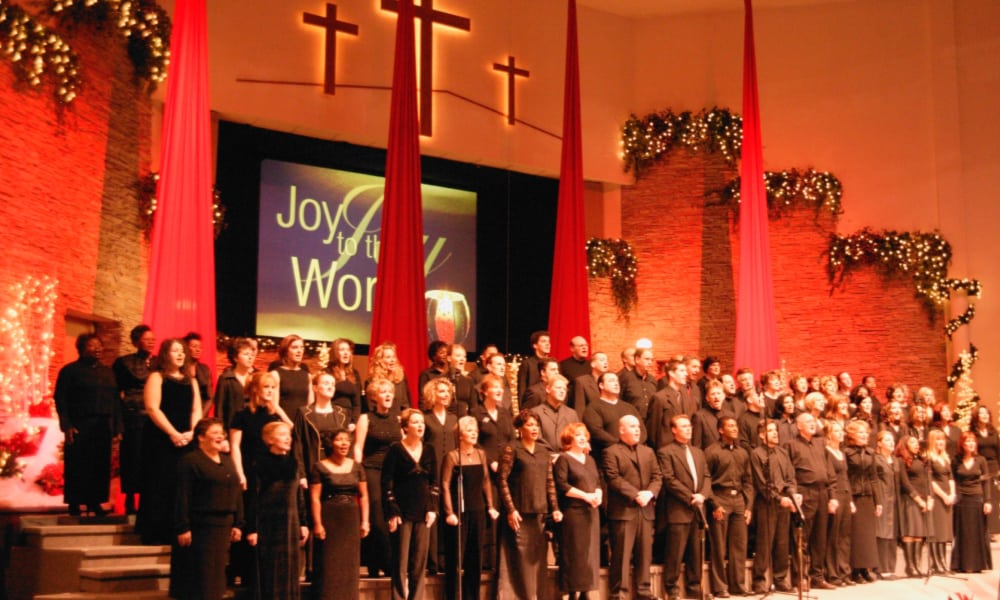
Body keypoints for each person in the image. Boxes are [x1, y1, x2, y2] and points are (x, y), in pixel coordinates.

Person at [138, 338, 201, 545]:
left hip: (186, 438)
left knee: (182, 485)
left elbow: (196, 410)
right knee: (160, 483)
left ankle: (180, 529)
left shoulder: (190, 380)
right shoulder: (157, 377)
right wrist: (173, 433)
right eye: (175, 351)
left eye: (183, 351)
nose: (181, 354)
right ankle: (156, 533)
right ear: (166, 354)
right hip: (161, 438)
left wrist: (192, 431)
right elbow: (152, 408)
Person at [173, 418, 244, 600]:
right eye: (215, 433)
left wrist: (238, 523)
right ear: (201, 437)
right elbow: (183, 495)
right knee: (203, 575)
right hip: (201, 526)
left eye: (222, 432)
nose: (220, 436)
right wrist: (183, 526)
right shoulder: (190, 461)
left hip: (224, 525)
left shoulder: (227, 461)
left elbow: (236, 492)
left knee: (217, 575)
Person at [498, 411, 562, 600]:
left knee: (538, 561)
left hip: (540, 512)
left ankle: (537, 596)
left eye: (536, 425)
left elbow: (549, 481)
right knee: (522, 560)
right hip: (520, 512)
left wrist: (555, 508)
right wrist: (511, 509)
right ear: (520, 428)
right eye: (529, 425)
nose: (534, 429)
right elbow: (502, 480)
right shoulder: (512, 449)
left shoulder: (543, 451)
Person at [54, 333, 118, 516]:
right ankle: (75, 502)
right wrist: (66, 424)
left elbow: (115, 400)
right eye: (92, 345)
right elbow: (61, 398)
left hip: (102, 424)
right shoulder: (70, 370)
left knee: (99, 464)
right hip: (79, 423)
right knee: (78, 464)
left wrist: (116, 427)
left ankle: (95, 502)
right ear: (81, 349)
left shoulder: (107, 371)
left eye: (99, 345)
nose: (97, 348)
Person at [245, 422, 309, 599]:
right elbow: (253, 498)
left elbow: (299, 495)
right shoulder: (259, 464)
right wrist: (252, 528)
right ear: (269, 440)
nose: (288, 438)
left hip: (290, 521)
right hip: (268, 523)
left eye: (288, 434)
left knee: (289, 569)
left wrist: (303, 523)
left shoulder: (294, 463)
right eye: (282, 434)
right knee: (270, 570)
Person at [602, 414, 662, 600]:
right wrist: (637, 494)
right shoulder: (611, 452)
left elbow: (657, 476)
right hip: (623, 511)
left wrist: (650, 493)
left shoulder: (648, 452)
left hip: (645, 510)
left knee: (644, 554)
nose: (637, 429)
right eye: (633, 426)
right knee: (621, 555)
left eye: (638, 426)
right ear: (622, 430)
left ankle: (644, 591)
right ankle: (618, 594)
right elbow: (613, 479)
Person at [382, 408, 439, 600]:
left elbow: (434, 482)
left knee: (418, 563)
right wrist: (392, 511)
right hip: (402, 511)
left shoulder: (429, 450)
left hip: (423, 511)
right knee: (401, 561)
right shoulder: (395, 450)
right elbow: (387, 482)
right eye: (415, 422)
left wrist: (432, 508)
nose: (420, 425)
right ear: (405, 427)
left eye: (421, 422)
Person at [440, 416, 500, 600]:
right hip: (460, 512)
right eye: (469, 430)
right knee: (456, 558)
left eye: (475, 430)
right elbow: (444, 484)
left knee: (475, 558)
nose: (474, 433)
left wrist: (490, 506)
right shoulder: (452, 456)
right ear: (459, 435)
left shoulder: (481, 454)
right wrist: (449, 512)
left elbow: (485, 481)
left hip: (478, 510)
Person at [310, 429, 369, 600]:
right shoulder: (319, 467)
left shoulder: (357, 466)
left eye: (347, 440)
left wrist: (365, 521)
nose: (344, 443)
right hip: (330, 518)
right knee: (329, 565)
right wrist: (318, 524)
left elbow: (364, 496)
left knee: (349, 566)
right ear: (330, 443)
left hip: (351, 518)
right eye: (339, 440)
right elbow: (315, 498)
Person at [657, 414, 710, 600]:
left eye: (689, 426)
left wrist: (703, 494)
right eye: (683, 426)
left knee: (695, 553)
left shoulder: (698, 452)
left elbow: (707, 477)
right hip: (679, 508)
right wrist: (690, 497)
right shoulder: (666, 452)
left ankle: (695, 588)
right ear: (673, 430)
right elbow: (669, 480)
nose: (688, 429)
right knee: (675, 552)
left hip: (698, 508)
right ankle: (671, 589)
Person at [353, 377, 401, 578]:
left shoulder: (397, 419)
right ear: (374, 397)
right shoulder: (366, 418)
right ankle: (384, 563)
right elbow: (358, 446)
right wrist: (358, 472)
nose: (388, 395)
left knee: (393, 517)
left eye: (390, 391)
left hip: (392, 472)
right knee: (377, 519)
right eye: (383, 392)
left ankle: (378, 563)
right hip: (371, 470)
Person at [787, 412, 837, 590]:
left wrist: (832, 496)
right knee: (802, 538)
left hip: (823, 493)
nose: (812, 423)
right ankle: (800, 577)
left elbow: (829, 472)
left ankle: (817, 576)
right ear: (798, 426)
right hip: (805, 493)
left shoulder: (820, 443)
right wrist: (794, 494)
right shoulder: (791, 445)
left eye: (813, 421)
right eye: (807, 421)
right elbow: (790, 472)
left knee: (820, 538)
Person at [470, 374, 515, 570]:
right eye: (495, 387)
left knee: (505, 510)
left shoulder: (505, 413)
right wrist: (490, 461)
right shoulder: (476, 413)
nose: (499, 391)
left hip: (506, 470)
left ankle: (503, 559)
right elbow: (475, 442)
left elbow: (512, 439)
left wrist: (507, 461)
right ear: (484, 392)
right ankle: (486, 559)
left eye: (501, 387)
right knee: (490, 511)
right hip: (486, 471)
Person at [704, 415, 752, 597]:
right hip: (720, 498)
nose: (735, 428)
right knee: (719, 546)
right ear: (720, 430)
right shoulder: (712, 451)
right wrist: (714, 504)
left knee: (739, 546)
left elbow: (748, 481)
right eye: (730, 426)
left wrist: (748, 506)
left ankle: (738, 585)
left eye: (736, 425)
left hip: (739, 500)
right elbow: (706, 480)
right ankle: (720, 587)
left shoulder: (742, 452)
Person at [750, 420, 799, 594]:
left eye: (775, 430)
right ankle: (759, 580)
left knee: (782, 541)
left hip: (785, 502)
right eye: (770, 431)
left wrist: (792, 494)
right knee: (765, 542)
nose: (775, 433)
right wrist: (779, 498)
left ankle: (780, 578)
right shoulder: (757, 454)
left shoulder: (783, 453)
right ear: (762, 435)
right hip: (767, 502)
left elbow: (790, 477)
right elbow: (761, 483)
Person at [553, 423, 601, 599]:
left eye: (584, 435)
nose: (582, 438)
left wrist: (598, 494)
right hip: (574, 513)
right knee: (575, 554)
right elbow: (562, 485)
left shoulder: (590, 460)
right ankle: (573, 592)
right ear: (569, 439)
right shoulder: (564, 459)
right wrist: (585, 496)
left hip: (591, 513)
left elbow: (597, 482)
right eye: (578, 435)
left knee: (590, 554)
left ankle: (586, 592)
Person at [113, 324, 157, 514]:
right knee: (132, 458)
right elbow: (115, 392)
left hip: (154, 416)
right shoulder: (124, 362)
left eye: (153, 339)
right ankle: (130, 499)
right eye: (147, 339)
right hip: (132, 415)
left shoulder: (158, 362)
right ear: (136, 342)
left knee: (151, 459)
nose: (151, 342)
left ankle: (150, 500)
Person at [421, 377, 457, 572]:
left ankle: (447, 560)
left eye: (447, 392)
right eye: (441, 391)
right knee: (432, 514)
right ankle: (431, 561)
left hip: (450, 472)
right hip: (431, 472)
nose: (444, 395)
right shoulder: (425, 418)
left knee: (449, 513)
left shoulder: (454, 418)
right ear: (432, 394)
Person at [294, 372, 350, 492]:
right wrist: (301, 474)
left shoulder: (341, 413)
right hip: (313, 467)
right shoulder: (304, 413)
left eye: (332, 384)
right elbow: (298, 445)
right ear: (315, 388)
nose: (330, 387)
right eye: (326, 383)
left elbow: (347, 443)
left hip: (336, 470)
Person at [949, 432, 994, 573]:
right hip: (962, 499)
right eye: (967, 441)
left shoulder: (981, 460)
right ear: (962, 444)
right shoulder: (956, 460)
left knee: (977, 532)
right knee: (963, 532)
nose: (971, 444)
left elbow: (986, 481)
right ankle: (962, 564)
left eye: (973, 441)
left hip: (977, 498)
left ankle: (977, 564)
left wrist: (987, 501)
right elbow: (953, 480)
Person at [844, 420, 881, 583]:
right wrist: (849, 498)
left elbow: (874, 478)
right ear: (852, 435)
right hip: (854, 496)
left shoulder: (870, 453)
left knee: (867, 536)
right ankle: (854, 570)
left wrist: (878, 501)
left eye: (866, 432)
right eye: (861, 432)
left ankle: (866, 568)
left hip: (867, 497)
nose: (865, 435)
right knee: (856, 535)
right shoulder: (846, 452)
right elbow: (845, 477)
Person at [896, 434, 932, 577]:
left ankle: (917, 565)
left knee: (919, 534)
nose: (917, 445)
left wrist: (928, 498)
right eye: (912, 442)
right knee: (910, 533)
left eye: (917, 442)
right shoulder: (901, 461)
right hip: (910, 499)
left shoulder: (920, 460)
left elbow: (926, 480)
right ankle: (910, 566)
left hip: (923, 499)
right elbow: (905, 483)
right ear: (905, 445)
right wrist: (918, 499)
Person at [823, 421, 852, 586]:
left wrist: (851, 500)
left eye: (841, 430)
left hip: (846, 495)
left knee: (844, 536)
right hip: (835, 496)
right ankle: (833, 573)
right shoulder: (826, 452)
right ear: (829, 434)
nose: (841, 433)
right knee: (833, 536)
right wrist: (832, 497)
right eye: (837, 430)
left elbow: (845, 477)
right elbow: (830, 478)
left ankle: (844, 571)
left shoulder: (841, 452)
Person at [925, 428, 955, 574]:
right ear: (932, 441)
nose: (941, 442)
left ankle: (943, 562)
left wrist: (952, 493)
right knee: (937, 532)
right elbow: (931, 481)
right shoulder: (929, 458)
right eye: (937, 439)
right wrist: (943, 496)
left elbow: (950, 478)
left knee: (945, 532)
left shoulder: (945, 458)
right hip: (938, 497)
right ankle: (936, 564)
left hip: (948, 497)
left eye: (942, 439)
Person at [211, 337, 255, 430]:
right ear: (235, 358)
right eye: (246, 354)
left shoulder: (255, 377)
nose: (250, 357)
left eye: (251, 354)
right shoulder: (226, 378)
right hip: (231, 428)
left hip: (251, 427)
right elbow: (219, 409)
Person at [969, 404, 1000, 535]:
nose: (985, 415)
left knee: (994, 498)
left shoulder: (994, 432)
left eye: (986, 413)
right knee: (982, 498)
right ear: (977, 416)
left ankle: (994, 530)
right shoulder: (973, 434)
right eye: (982, 413)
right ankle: (982, 529)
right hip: (980, 468)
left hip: (994, 467)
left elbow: (999, 451)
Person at [872, 429, 898, 579]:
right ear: (880, 443)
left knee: (892, 533)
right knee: (882, 532)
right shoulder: (877, 459)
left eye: (892, 440)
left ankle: (891, 567)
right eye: (887, 440)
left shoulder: (895, 460)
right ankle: (882, 568)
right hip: (883, 498)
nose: (891, 442)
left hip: (894, 500)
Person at [270, 334, 313, 417]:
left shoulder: (307, 375)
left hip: (302, 423)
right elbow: (274, 405)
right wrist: (290, 424)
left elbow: (310, 405)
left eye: (301, 347)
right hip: (282, 424)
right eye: (295, 347)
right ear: (286, 351)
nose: (299, 351)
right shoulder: (276, 374)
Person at [531, 374, 577, 452]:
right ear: (548, 389)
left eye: (564, 389)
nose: (562, 391)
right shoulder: (535, 412)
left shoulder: (572, 413)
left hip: (567, 458)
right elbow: (537, 439)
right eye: (558, 388)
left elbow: (576, 436)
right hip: (545, 457)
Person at [327, 338, 362, 426]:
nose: (346, 353)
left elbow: (357, 403)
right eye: (342, 350)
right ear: (335, 353)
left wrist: (354, 422)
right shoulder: (327, 372)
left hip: (349, 418)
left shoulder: (354, 374)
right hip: (332, 416)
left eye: (348, 350)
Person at [366, 342, 410, 411]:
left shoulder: (401, 377)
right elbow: (370, 406)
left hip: (398, 418)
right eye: (388, 357)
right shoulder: (372, 381)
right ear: (379, 360)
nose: (392, 360)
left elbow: (405, 404)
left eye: (393, 357)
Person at [183, 332, 212, 406]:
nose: (198, 349)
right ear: (185, 348)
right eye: (194, 346)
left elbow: (209, 398)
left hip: (201, 411)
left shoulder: (205, 370)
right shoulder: (179, 368)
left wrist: (201, 416)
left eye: (200, 347)